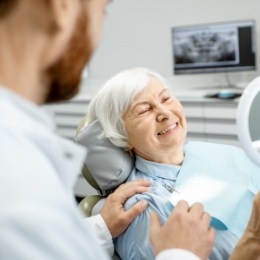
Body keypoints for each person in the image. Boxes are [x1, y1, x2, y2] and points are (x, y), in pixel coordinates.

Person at [0, 1, 215, 260]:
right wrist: (180, 254)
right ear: (62, 7)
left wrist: (101, 226)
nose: (164, 113)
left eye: (166, 99)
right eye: (102, 11)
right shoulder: (16, 181)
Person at [84, 67, 260, 260]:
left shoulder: (216, 151)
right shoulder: (142, 206)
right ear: (122, 137)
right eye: (144, 110)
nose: (164, 113)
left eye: (166, 99)